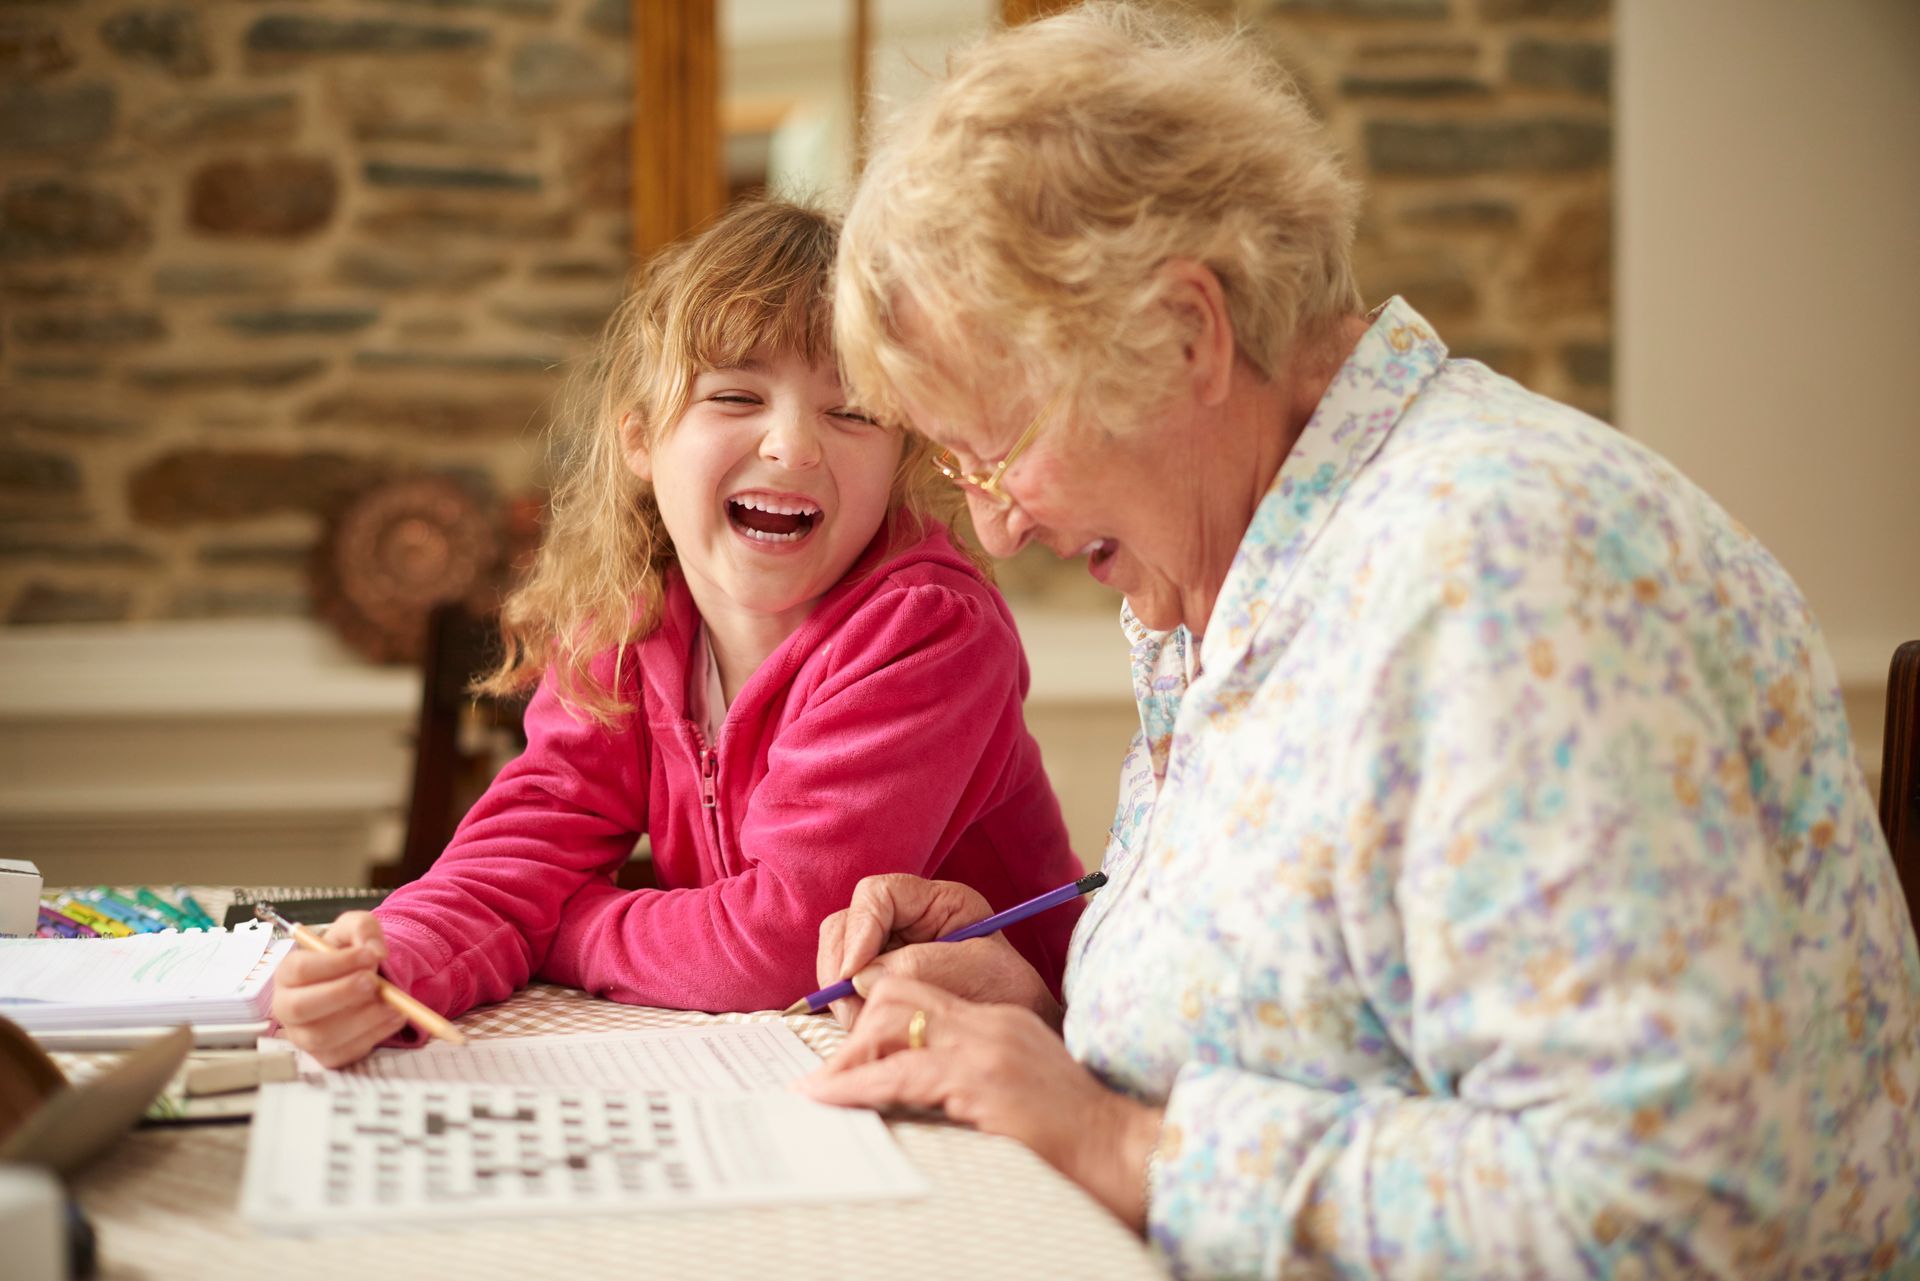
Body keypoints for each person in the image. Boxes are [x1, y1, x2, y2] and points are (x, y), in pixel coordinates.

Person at [798, 7, 1920, 1278]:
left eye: (998, 444)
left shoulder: (1493, 572)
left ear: (1185, 334)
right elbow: (1337, 1025)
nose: (993, 527)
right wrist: (1054, 1019)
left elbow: (1663, 1208)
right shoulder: (1254, 569)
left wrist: (1114, 1136)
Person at [270, 199, 1084, 1067]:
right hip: (796, 1061)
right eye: (736, 394)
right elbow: (516, 853)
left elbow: (780, 942)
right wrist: (390, 961)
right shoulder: (625, 622)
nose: (792, 446)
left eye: (853, 413)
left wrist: (564, 920)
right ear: (639, 440)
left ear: (901, 456)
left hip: (1013, 1059)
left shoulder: (926, 630)